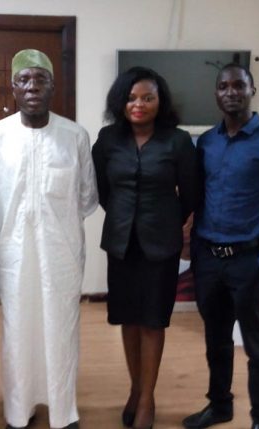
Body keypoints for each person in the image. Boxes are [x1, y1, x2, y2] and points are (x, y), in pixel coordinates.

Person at [0, 49, 98, 429]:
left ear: (53, 85)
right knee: (17, 331)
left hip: (61, 254)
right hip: (14, 255)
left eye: (40, 79)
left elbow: (86, 198)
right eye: (24, 80)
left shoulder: (74, 135)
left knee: (60, 331)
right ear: (13, 87)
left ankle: (63, 413)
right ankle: (19, 411)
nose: (32, 87)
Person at [183, 63, 259, 429]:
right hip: (208, 260)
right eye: (223, 86)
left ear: (251, 90)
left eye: (238, 85)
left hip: (248, 261)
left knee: (256, 347)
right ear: (216, 93)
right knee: (216, 340)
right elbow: (197, 197)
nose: (231, 92)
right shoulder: (206, 142)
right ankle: (220, 406)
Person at [91, 67, 198, 429]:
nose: (138, 104)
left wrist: (164, 220)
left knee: (153, 322)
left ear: (160, 102)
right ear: (120, 101)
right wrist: (127, 217)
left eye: (147, 97)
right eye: (131, 97)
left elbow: (190, 194)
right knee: (128, 320)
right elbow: (103, 191)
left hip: (160, 245)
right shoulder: (107, 140)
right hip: (121, 245)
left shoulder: (178, 141)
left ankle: (147, 399)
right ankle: (135, 389)